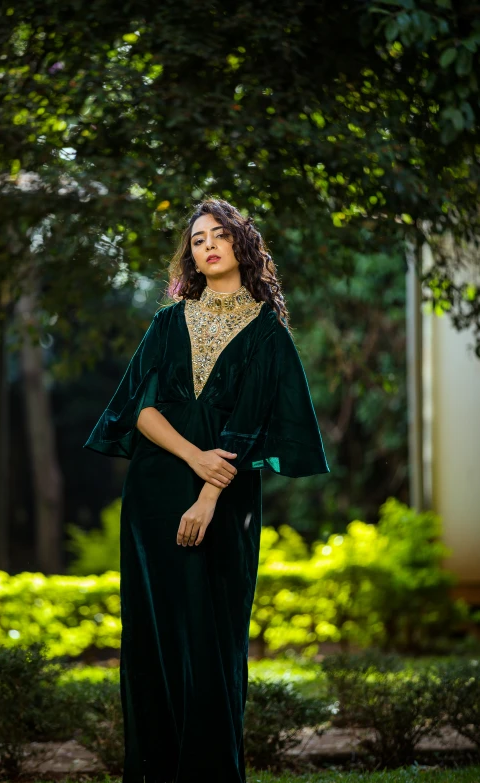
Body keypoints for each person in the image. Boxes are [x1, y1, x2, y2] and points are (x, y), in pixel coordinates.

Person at [83, 197, 330, 783]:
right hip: (154, 492)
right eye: (198, 239)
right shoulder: (168, 323)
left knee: (212, 636)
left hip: (225, 500)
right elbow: (139, 412)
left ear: (242, 246)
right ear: (191, 255)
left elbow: (248, 431)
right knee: (154, 635)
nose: (209, 244)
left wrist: (207, 496)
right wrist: (193, 457)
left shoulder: (268, 334)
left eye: (219, 234)